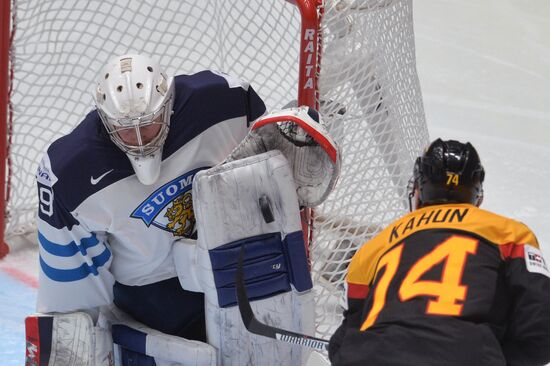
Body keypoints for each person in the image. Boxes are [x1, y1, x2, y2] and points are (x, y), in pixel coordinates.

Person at [27, 54, 267, 365]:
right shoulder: (70, 173)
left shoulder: (221, 101)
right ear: (104, 120)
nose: (140, 139)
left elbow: (270, 159)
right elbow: (71, 298)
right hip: (151, 299)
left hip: (236, 268)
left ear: (168, 104)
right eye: (125, 129)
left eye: (149, 124)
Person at [328, 138, 550, 366]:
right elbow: (540, 331)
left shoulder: (374, 248)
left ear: (418, 189)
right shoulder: (509, 233)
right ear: (476, 192)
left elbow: (343, 340)